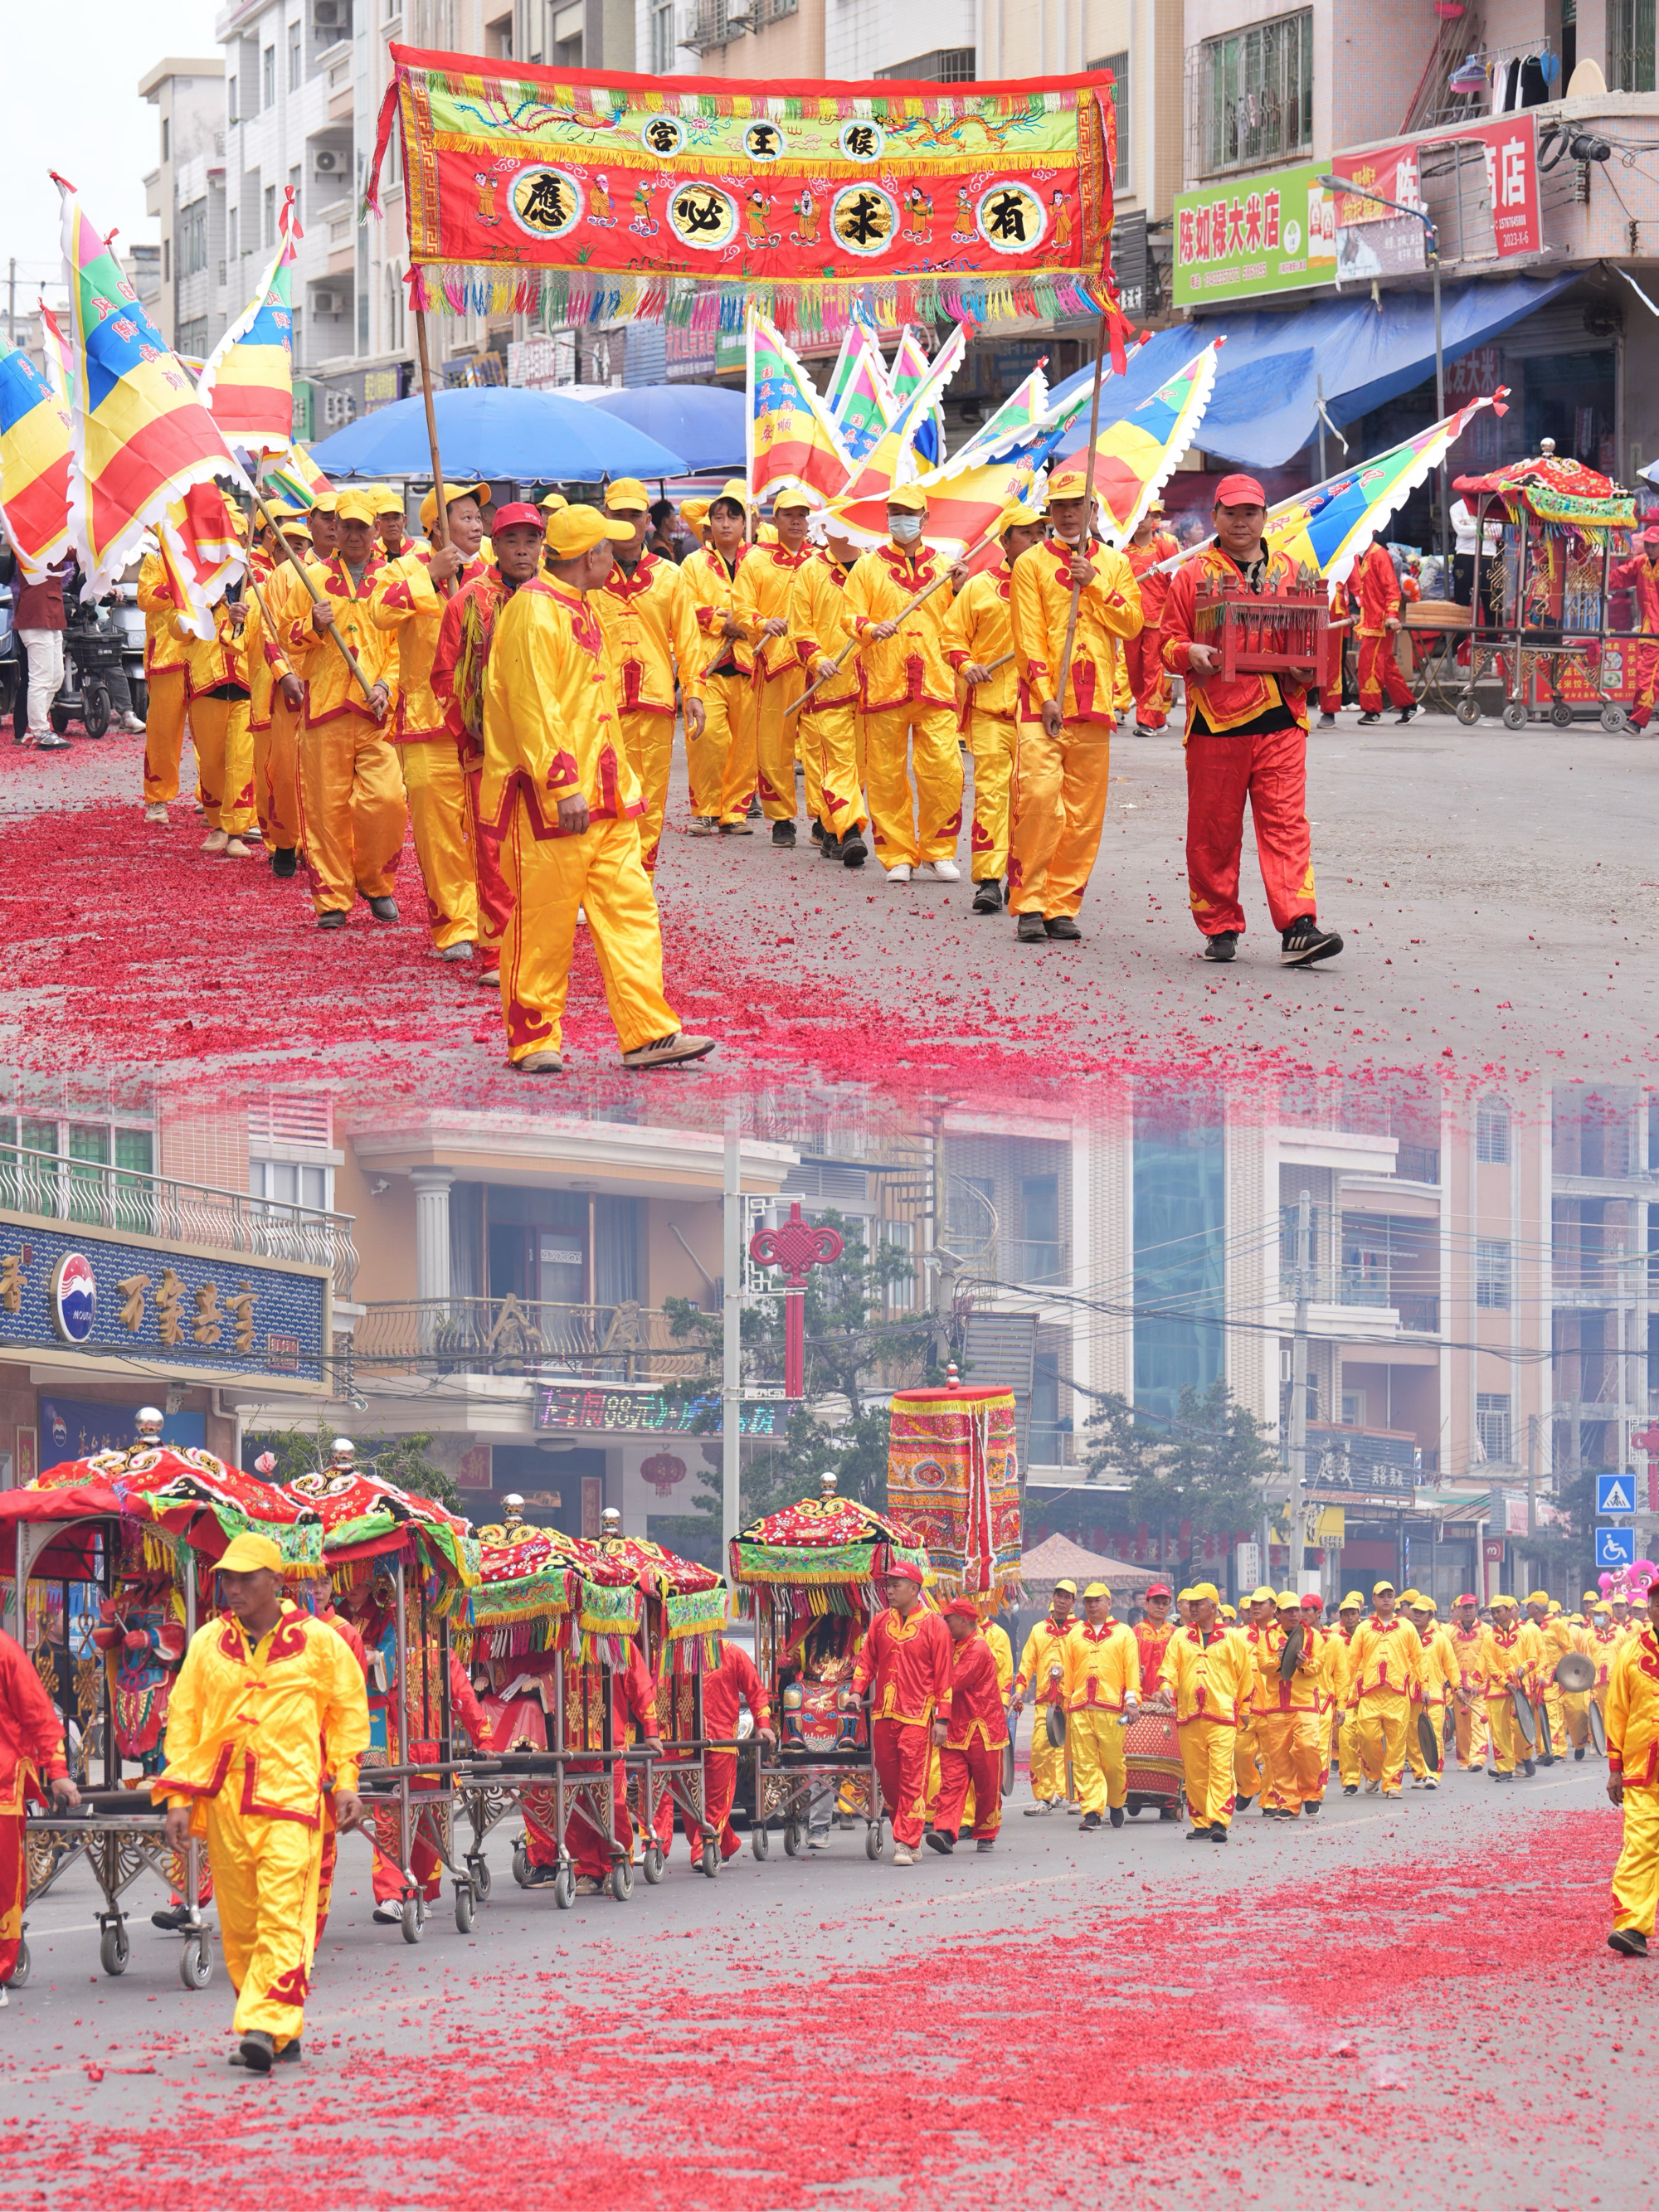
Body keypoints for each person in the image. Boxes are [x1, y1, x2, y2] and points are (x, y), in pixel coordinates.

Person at [479, 502, 716, 1075]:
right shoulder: (535, 612)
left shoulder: (578, 605)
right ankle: (533, 1037)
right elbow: (535, 708)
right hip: (554, 800)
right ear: (591, 557)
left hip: (605, 797)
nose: (616, 553)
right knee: (545, 923)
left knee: (632, 912)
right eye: (608, 547)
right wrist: (563, 785)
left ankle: (649, 1032)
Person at [154, 1532, 368, 2072]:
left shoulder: (320, 1642)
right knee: (242, 1924)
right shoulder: (206, 1643)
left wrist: (345, 1779)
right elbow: (184, 1719)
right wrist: (178, 1794)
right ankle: (282, 2027)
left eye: (247, 1577)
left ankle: (261, 2023)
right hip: (227, 1803)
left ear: (278, 1580)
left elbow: (347, 1711)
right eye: (227, 1577)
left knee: (279, 1914)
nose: (233, 1587)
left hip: (293, 1798)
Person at [1160, 474, 1342, 969]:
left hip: (1282, 719)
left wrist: (1310, 670)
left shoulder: (1291, 570)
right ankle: (1219, 922)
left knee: (1286, 825)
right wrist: (1189, 650)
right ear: (1215, 516)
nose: (1241, 523)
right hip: (1217, 722)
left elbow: (1311, 641)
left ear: (1266, 518)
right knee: (1213, 830)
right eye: (1232, 513)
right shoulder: (1191, 574)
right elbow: (1166, 643)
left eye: (1251, 513)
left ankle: (1298, 926)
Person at [1005, 469, 1141, 942]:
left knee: (1085, 812)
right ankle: (1027, 902)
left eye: (1077, 504)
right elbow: (1027, 636)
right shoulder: (1031, 565)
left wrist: (1097, 583)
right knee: (1039, 800)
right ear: (1050, 513)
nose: (1068, 513)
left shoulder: (1115, 564)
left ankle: (1061, 905)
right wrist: (1044, 694)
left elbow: (1132, 624)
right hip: (1042, 703)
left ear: (1093, 511)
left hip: (1096, 702)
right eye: (1060, 506)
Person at [369, 482, 489, 960]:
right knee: (438, 831)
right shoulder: (405, 568)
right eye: (464, 517)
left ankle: (491, 915)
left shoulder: (492, 574)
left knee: (486, 824)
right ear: (436, 524)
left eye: (479, 518)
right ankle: (456, 923)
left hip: (484, 723)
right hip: (425, 721)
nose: (476, 525)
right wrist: (430, 575)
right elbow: (379, 613)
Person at [282, 486, 400, 931]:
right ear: (333, 529)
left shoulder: (392, 579)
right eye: (344, 526)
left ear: (375, 531)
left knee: (387, 800)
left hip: (375, 714)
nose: (353, 535)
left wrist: (387, 684)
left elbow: (401, 645)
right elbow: (286, 640)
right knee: (325, 807)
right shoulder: (307, 578)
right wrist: (311, 625)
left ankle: (374, 880)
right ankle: (332, 896)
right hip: (324, 709)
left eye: (361, 527)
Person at [844, 486, 963, 885]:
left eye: (910, 513)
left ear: (925, 519)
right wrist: (870, 627)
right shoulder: (867, 567)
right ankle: (896, 853)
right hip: (884, 682)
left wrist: (960, 588)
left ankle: (938, 850)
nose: (901, 519)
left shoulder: (946, 568)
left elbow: (961, 622)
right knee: (885, 774)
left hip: (936, 680)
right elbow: (849, 616)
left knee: (944, 770)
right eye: (895, 512)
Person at [591, 476, 707, 873]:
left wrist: (692, 690)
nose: (627, 522)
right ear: (605, 517)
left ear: (648, 521)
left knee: (649, 799)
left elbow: (688, 639)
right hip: (596, 704)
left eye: (634, 515)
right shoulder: (585, 574)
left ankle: (638, 884)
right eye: (618, 514)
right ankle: (602, 881)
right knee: (600, 795)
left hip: (654, 700)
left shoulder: (670, 576)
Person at [941, 502, 1047, 913]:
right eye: (1027, 534)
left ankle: (1025, 880)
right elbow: (951, 636)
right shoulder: (980, 587)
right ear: (1005, 541)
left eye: (1041, 534)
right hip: (990, 709)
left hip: (1039, 711)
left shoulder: (1054, 587)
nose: (1037, 541)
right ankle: (988, 878)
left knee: (1033, 799)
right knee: (991, 794)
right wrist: (966, 666)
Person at [430, 506, 517, 987]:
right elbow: (443, 677)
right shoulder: (468, 600)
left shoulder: (553, 600)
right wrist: (471, 729)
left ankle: (537, 948)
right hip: (486, 750)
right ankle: (497, 951)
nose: (522, 549)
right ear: (496, 547)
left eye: (532, 539)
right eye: (512, 540)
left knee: (543, 854)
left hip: (546, 751)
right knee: (491, 847)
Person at [852, 1563, 953, 1866]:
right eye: (889, 1585)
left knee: (912, 1779)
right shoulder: (880, 1622)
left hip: (918, 1715)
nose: (890, 1591)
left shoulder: (935, 1626)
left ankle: (905, 1841)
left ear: (914, 1589)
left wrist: (943, 1719)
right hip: (883, 1713)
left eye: (896, 1585)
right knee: (889, 1778)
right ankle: (906, 1831)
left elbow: (944, 1676)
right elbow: (867, 1660)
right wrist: (857, 1690)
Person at [1, 1619, 80, 1998]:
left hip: (1, 1786)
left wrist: (58, 1770)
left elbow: (38, 1713)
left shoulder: (5, 1652)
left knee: (2, 1886)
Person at [734, 488, 815, 844]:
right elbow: (740, 606)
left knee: (819, 743)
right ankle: (782, 817)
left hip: (816, 664)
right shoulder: (756, 560)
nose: (796, 520)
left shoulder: (820, 560)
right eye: (788, 515)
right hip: (774, 663)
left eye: (802, 514)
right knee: (774, 744)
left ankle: (825, 818)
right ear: (775, 520)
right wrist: (761, 622)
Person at [790, 521, 872, 866]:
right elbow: (799, 628)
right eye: (842, 521)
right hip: (826, 685)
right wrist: (818, 659)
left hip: (872, 685)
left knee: (861, 765)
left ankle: (830, 828)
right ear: (826, 526)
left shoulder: (874, 567)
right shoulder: (809, 570)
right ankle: (850, 829)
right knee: (837, 762)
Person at [562, 1631, 664, 1897]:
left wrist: (651, 1729)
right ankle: (587, 1869)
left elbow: (641, 1687)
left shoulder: (621, 1644)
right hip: (572, 1741)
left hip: (610, 1741)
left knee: (615, 1806)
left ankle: (616, 1862)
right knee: (576, 1809)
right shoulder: (564, 1639)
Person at [680, 483, 756, 834]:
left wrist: (749, 623)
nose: (726, 524)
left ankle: (735, 811)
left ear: (745, 524)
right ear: (708, 524)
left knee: (744, 743)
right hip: (707, 664)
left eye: (733, 517)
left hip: (750, 663)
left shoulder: (758, 561)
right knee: (707, 740)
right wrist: (722, 621)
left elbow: (773, 606)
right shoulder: (693, 564)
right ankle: (706, 808)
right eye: (719, 518)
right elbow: (683, 608)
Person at [168, 582, 258, 858]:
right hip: (206, 687)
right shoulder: (196, 589)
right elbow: (177, 631)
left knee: (241, 762)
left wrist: (238, 620)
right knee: (211, 763)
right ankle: (217, 825)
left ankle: (236, 831)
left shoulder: (255, 586)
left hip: (246, 688)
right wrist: (205, 605)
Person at [1159, 1581, 1253, 1840]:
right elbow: (1169, 1667)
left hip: (1222, 1715)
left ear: (1213, 1606)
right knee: (1196, 1771)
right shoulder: (1180, 1636)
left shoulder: (1233, 1637)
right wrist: (1167, 1686)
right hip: (1189, 1715)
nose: (1192, 1608)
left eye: (1199, 1603)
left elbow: (1246, 1676)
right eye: (1190, 1603)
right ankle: (1200, 1822)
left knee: (1221, 1768)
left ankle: (1219, 1821)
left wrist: (1244, 1708)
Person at [682, 1634, 775, 1866]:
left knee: (715, 1799)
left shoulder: (733, 1653)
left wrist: (763, 1725)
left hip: (722, 1737)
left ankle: (704, 1849)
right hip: (685, 1739)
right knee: (689, 1800)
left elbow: (756, 1690)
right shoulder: (678, 1654)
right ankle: (727, 1842)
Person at [928, 1597, 1008, 1853]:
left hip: (982, 1729)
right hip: (953, 1726)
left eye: (948, 1619)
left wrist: (920, 1689)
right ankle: (944, 1831)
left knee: (987, 1786)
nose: (944, 1623)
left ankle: (986, 1832)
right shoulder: (950, 1644)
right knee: (951, 1782)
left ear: (963, 1621)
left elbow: (954, 1681)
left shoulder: (979, 1648)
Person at [1059, 1582, 1141, 1832]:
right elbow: (1068, 1671)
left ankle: (1116, 1803)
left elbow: (1131, 1669)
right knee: (1085, 1762)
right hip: (1081, 1706)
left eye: (1098, 1600)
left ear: (1109, 1603)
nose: (1092, 1605)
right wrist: (1065, 1702)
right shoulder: (1074, 1633)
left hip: (1111, 1708)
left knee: (1113, 1763)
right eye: (1088, 1601)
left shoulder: (1124, 1633)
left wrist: (1131, 1702)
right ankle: (1093, 1811)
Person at [1607, 1575, 1659, 1956]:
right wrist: (1615, 1766)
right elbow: (1617, 1711)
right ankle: (1631, 1926)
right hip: (1643, 1769)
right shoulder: (1630, 1650)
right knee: (1640, 1844)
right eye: (1657, 1602)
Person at [1249, 1590, 1327, 1819]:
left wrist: (1305, 1663)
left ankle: (1312, 1794)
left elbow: (1318, 1665)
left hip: (1304, 1702)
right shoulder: (1267, 1637)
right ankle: (1288, 1803)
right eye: (1289, 1611)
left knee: (1307, 1746)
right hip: (1276, 1704)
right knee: (1280, 1756)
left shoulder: (1313, 1636)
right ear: (1278, 1613)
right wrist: (1279, 1659)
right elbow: (1263, 1665)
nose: (1294, 1615)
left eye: (1297, 1610)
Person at [1010, 1578, 1079, 1814]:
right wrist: (1019, 1692)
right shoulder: (1039, 1630)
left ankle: (1076, 1796)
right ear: (1053, 1598)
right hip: (1044, 1700)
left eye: (1067, 1597)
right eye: (1058, 1595)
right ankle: (1044, 1797)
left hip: (1073, 1700)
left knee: (1074, 1748)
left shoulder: (1081, 1630)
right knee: (1040, 1747)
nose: (1061, 1600)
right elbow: (1027, 1662)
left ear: (1073, 1602)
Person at [135, 541, 193, 812]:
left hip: (207, 656)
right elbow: (145, 597)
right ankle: (158, 797)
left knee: (214, 734)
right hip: (166, 658)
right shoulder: (157, 556)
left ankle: (213, 797)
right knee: (162, 731)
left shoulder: (213, 552)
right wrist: (178, 587)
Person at [1121, 501, 1180, 734]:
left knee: (1152, 669)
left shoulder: (1165, 549)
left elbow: (1177, 582)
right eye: (1135, 517)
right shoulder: (1123, 552)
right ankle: (1157, 720)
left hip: (1157, 619)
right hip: (1131, 619)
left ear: (1152, 519)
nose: (1140, 522)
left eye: (1144, 516)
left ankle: (1146, 720)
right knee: (1134, 673)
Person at [1352, 533, 1417, 726]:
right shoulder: (1358, 557)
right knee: (1385, 666)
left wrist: (1391, 614)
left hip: (1380, 622)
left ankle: (1372, 711)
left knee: (1369, 665)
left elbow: (1391, 588)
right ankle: (1409, 705)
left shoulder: (1380, 555)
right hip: (1369, 620)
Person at [1481, 1594, 1534, 1782]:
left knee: (1521, 1727)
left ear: (1509, 1611)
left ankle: (1525, 1755)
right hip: (1497, 1690)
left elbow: (1533, 1658)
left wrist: (1523, 1668)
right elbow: (1490, 1664)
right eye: (1493, 1612)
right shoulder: (1489, 1637)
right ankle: (1505, 1769)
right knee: (1499, 1730)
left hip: (1520, 1689)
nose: (1495, 1615)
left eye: (1499, 1611)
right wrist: (1505, 1682)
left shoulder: (1525, 1633)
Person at [1406, 1594, 1456, 1790]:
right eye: (1415, 1611)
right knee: (1413, 1736)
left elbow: (1451, 1665)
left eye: (1421, 1612)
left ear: (1431, 1615)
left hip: (1434, 1694)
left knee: (1434, 1734)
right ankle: (1419, 1775)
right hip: (1409, 1694)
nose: (1417, 1615)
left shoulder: (1440, 1639)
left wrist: (1457, 1687)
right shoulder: (1405, 1636)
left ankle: (1432, 1774)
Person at [1527, 1591, 1574, 1764]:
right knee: (1538, 1716)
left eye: (1529, 1605)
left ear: (1536, 1607)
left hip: (1553, 1677)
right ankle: (1542, 1751)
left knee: (1553, 1714)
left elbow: (1569, 1649)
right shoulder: (1529, 1625)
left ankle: (1557, 1751)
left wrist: (1566, 1675)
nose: (1527, 1608)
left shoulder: (1557, 1624)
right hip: (1533, 1678)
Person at [1448, 1593, 1491, 1772]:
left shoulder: (1487, 1631)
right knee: (1462, 1725)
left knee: (1478, 1721)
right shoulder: (1448, 1632)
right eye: (1464, 1607)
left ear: (1476, 1609)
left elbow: (1490, 1657)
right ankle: (1465, 1760)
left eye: (1471, 1607)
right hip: (1458, 1686)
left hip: (1479, 1686)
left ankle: (1478, 1758)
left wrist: (1483, 1681)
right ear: (1457, 1610)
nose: (1467, 1611)